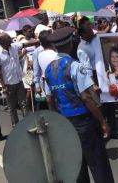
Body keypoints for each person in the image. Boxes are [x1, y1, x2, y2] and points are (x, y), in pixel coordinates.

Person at [44, 27, 114, 183]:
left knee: (77, 164)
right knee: (98, 163)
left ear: (55, 46)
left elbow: (49, 99)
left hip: (65, 123)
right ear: (70, 44)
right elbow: (86, 97)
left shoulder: (48, 70)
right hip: (84, 121)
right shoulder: (75, 66)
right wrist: (103, 122)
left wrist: (58, 121)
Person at [77, 17, 118, 139]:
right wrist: (94, 84)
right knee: (99, 105)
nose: (93, 33)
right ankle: (102, 129)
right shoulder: (81, 48)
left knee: (110, 102)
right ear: (83, 35)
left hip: (105, 72)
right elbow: (86, 68)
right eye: (90, 32)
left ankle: (114, 130)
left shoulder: (95, 38)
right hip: (93, 77)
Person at [0, 33, 38, 126]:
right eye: (9, 38)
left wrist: (39, 40)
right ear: (3, 41)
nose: (11, 39)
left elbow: (26, 44)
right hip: (8, 85)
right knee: (12, 107)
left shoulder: (13, 46)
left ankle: (28, 123)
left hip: (19, 81)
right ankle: (16, 126)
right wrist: (3, 86)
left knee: (24, 104)